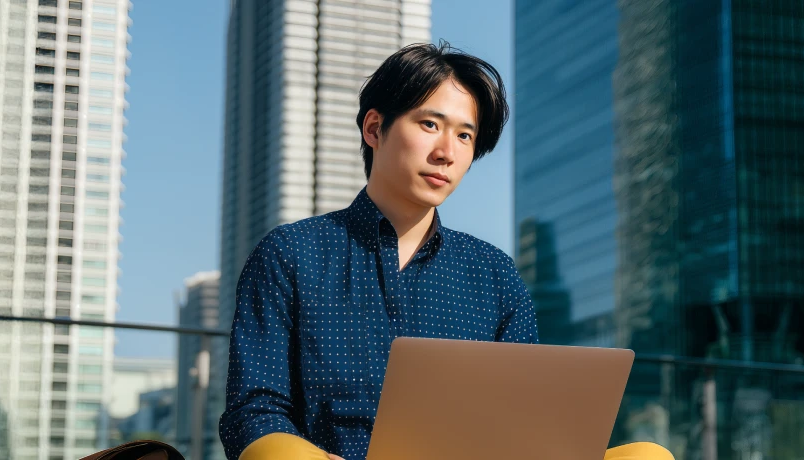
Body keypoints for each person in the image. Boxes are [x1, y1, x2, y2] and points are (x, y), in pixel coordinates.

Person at [219, 42, 674, 460]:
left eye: (464, 136)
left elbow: (527, 418)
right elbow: (254, 410)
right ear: (375, 128)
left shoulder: (493, 273)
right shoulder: (292, 253)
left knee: (649, 456)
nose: (447, 152)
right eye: (430, 124)